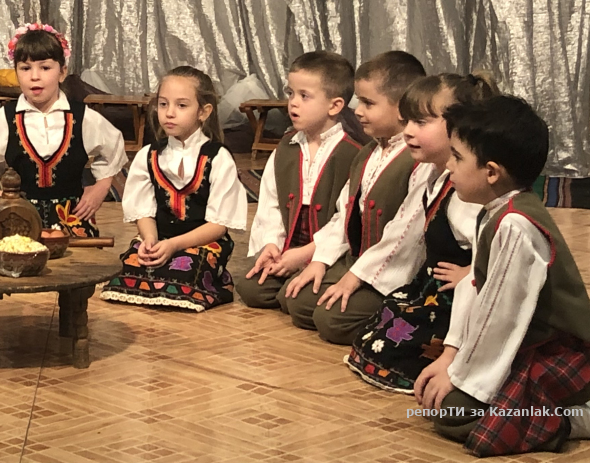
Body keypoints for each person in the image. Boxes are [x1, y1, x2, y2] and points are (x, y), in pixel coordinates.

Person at [415, 96, 590, 455]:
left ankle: (568, 419)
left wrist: (462, 377)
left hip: (565, 358)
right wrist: (451, 358)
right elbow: (477, 289)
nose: (448, 166)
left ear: (491, 172)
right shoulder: (494, 210)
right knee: (444, 402)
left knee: (456, 414)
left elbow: (500, 317)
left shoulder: (515, 225)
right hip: (526, 346)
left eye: (457, 157)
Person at [344, 72, 494, 391]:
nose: (409, 131)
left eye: (422, 122)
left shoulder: (466, 192)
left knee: (399, 341)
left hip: (461, 295)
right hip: (431, 285)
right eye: (408, 121)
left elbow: (496, 245)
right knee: (384, 322)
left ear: (459, 127)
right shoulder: (431, 174)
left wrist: (472, 272)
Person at [282, 51, 424, 342]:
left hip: (392, 272)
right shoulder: (367, 153)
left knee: (331, 321)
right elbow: (344, 215)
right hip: (357, 260)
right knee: (295, 300)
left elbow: (404, 236)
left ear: (402, 108)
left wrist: (356, 277)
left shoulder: (416, 161)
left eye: (368, 103)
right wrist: (321, 259)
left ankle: (400, 320)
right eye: (359, 101)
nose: (357, 111)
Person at [99, 67, 245, 310]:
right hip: (161, 239)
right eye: (163, 104)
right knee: (132, 265)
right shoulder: (149, 155)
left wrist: (175, 245)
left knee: (186, 269)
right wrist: (150, 241)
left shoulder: (218, 158)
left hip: (202, 242)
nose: (169, 113)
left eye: (181, 105)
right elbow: (144, 212)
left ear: (204, 111)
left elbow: (218, 225)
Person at [0, 23, 127, 238]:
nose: (35, 76)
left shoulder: (83, 117)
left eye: (45, 68)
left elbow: (113, 149)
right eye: (25, 68)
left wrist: (100, 188)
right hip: (21, 223)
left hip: (73, 221)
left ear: (62, 72)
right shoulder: (5, 118)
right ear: (16, 73)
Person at [233, 50, 360, 311]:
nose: (293, 103)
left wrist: (308, 254)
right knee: (251, 289)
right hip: (290, 248)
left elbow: (345, 220)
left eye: (304, 96)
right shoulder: (286, 148)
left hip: (329, 252)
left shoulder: (352, 153)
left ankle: (301, 286)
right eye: (290, 93)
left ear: (335, 105)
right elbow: (271, 205)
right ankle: (290, 280)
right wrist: (272, 244)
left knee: (295, 300)